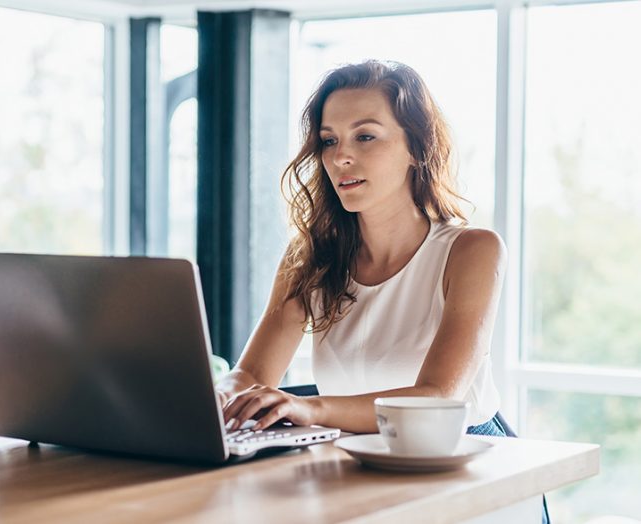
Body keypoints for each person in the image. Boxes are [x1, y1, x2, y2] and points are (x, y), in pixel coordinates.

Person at [215, 59, 506, 436]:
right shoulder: (310, 257)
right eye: (329, 140)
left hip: (465, 458)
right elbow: (251, 375)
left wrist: (310, 408)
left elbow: (436, 398)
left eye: (365, 136)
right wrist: (216, 397)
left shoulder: (472, 250)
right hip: (354, 454)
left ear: (416, 147)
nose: (340, 157)